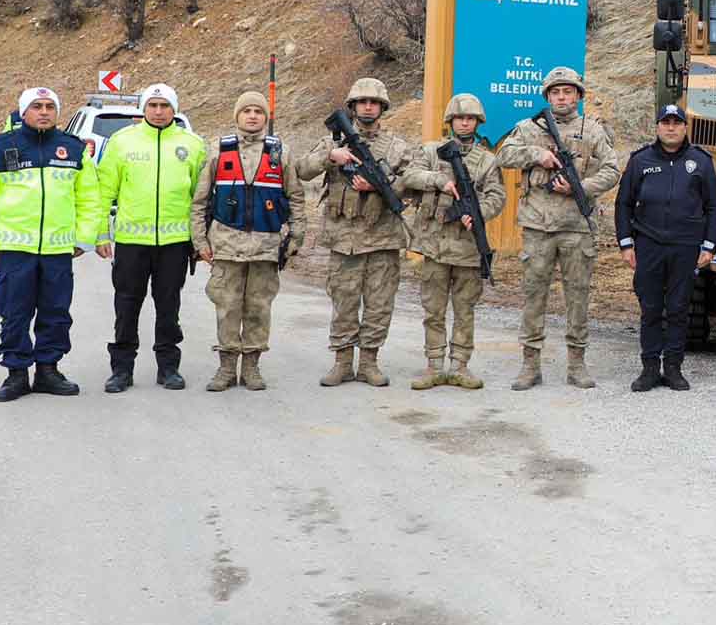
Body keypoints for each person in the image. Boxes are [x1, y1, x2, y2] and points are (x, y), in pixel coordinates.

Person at [0, 87, 102, 402]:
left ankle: (48, 370)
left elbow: (90, 199)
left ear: (57, 112)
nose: (43, 112)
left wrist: (84, 238)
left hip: (57, 251)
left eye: (49, 106)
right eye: (36, 106)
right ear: (24, 112)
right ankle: (16, 373)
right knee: (14, 312)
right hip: (14, 251)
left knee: (56, 312)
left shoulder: (74, 150)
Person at [495, 66, 621, 390]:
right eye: (555, 92)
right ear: (547, 97)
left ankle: (576, 365)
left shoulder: (592, 130)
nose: (562, 97)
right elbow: (504, 155)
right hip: (537, 225)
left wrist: (583, 186)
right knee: (533, 296)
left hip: (576, 227)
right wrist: (538, 155)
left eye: (568, 92)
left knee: (577, 297)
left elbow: (612, 170)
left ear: (578, 96)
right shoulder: (528, 128)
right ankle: (530, 365)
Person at [295, 77, 417, 388]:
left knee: (379, 304)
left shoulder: (398, 147)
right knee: (344, 303)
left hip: (383, 239)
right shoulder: (333, 142)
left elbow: (414, 183)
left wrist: (381, 185)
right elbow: (301, 169)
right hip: (344, 239)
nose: (367, 106)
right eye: (362, 102)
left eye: (373, 102)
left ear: (382, 108)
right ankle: (342, 362)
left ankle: (369, 362)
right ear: (352, 107)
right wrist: (330, 157)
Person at [189, 90, 306, 393]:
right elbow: (200, 201)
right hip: (226, 246)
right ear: (237, 116)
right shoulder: (217, 150)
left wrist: (296, 235)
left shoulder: (281, 152)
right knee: (227, 308)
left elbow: (295, 197)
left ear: (266, 118)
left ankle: (252, 368)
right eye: (246, 111)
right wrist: (200, 241)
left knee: (259, 308)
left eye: (258, 111)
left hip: (266, 247)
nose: (252, 116)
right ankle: (226, 368)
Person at [95, 82, 206, 393]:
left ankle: (168, 367)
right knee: (127, 306)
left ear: (175, 109)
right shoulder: (122, 142)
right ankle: (121, 369)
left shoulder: (192, 144)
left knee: (168, 306)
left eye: (165, 106)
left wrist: (200, 241)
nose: (158, 112)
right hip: (132, 242)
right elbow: (104, 191)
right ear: (143, 109)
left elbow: (201, 198)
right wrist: (101, 233)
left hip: (174, 243)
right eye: (153, 106)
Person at [401, 93, 507, 391]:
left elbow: (497, 195)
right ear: (450, 121)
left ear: (477, 122)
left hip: (468, 248)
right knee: (433, 310)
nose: (464, 122)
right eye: (459, 118)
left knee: (464, 309)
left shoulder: (486, 160)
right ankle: (434, 364)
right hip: (434, 245)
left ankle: (460, 365)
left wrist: (478, 214)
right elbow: (409, 175)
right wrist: (438, 180)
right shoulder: (433, 152)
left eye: (470, 118)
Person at [617, 104, 716, 392]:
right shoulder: (640, 160)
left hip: (686, 246)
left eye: (677, 122)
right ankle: (650, 368)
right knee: (650, 308)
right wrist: (626, 243)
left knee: (678, 308)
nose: (671, 128)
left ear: (685, 127)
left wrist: (710, 245)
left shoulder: (700, 161)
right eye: (666, 122)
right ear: (658, 127)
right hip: (648, 243)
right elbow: (623, 203)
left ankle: (673, 368)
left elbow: (714, 207)